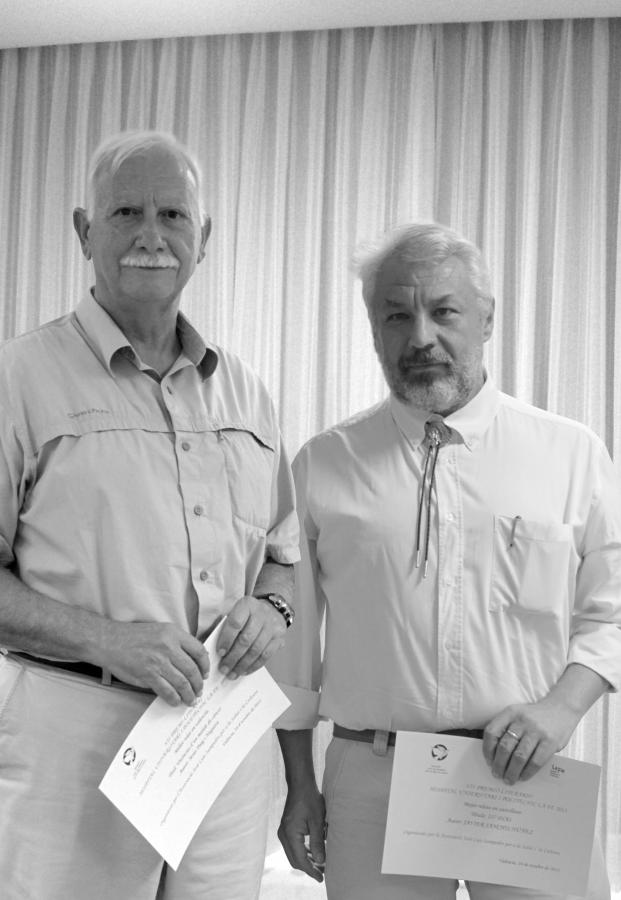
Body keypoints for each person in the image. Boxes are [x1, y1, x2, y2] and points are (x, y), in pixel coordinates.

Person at [273, 222, 621, 900]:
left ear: (486, 319)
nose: (420, 337)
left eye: (443, 311)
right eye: (396, 316)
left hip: (524, 773)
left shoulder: (572, 454)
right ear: (373, 329)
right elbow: (293, 651)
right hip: (373, 780)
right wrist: (298, 785)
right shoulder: (323, 464)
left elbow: (610, 610)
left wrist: (561, 709)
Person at [0, 130, 298, 900]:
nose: (150, 235)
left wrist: (271, 609)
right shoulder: (18, 378)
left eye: (172, 215)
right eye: (125, 211)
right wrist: (106, 639)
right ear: (83, 230)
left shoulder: (248, 393)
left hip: (223, 735)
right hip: (75, 734)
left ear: (204, 237)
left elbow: (283, 558)